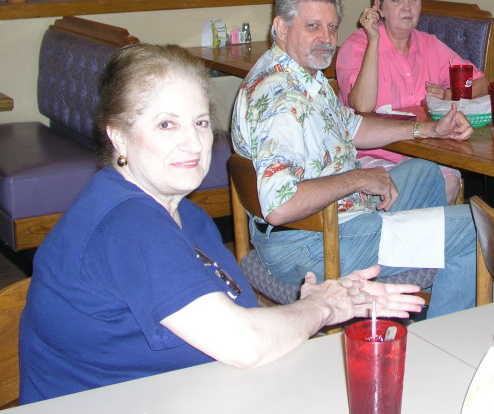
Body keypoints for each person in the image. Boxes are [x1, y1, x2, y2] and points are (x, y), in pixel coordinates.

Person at [19, 44, 424, 404]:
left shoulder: (187, 216)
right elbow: (244, 344)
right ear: (119, 137)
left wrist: (319, 305)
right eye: (166, 124)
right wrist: (319, 307)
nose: (193, 143)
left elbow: (241, 318)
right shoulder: (127, 222)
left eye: (199, 122)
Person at [232, 0, 478, 319]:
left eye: (332, 27)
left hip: (335, 218)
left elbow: (352, 126)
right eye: (313, 26)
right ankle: (447, 342)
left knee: (425, 173)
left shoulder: (301, 74)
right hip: (312, 243)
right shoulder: (282, 100)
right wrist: (361, 179)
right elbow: (281, 205)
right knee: (475, 228)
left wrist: (428, 129)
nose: (327, 39)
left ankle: (421, 276)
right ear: (281, 27)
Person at [336, 0, 488, 204]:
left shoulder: (429, 45)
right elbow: (362, 106)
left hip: (425, 150)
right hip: (370, 155)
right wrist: (374, 40)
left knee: (448, 179)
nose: (407, 7)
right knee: (426, 185)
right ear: (378, 7)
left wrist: (449, 95)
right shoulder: (356, 47)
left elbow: (481, 83)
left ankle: (427, 238)